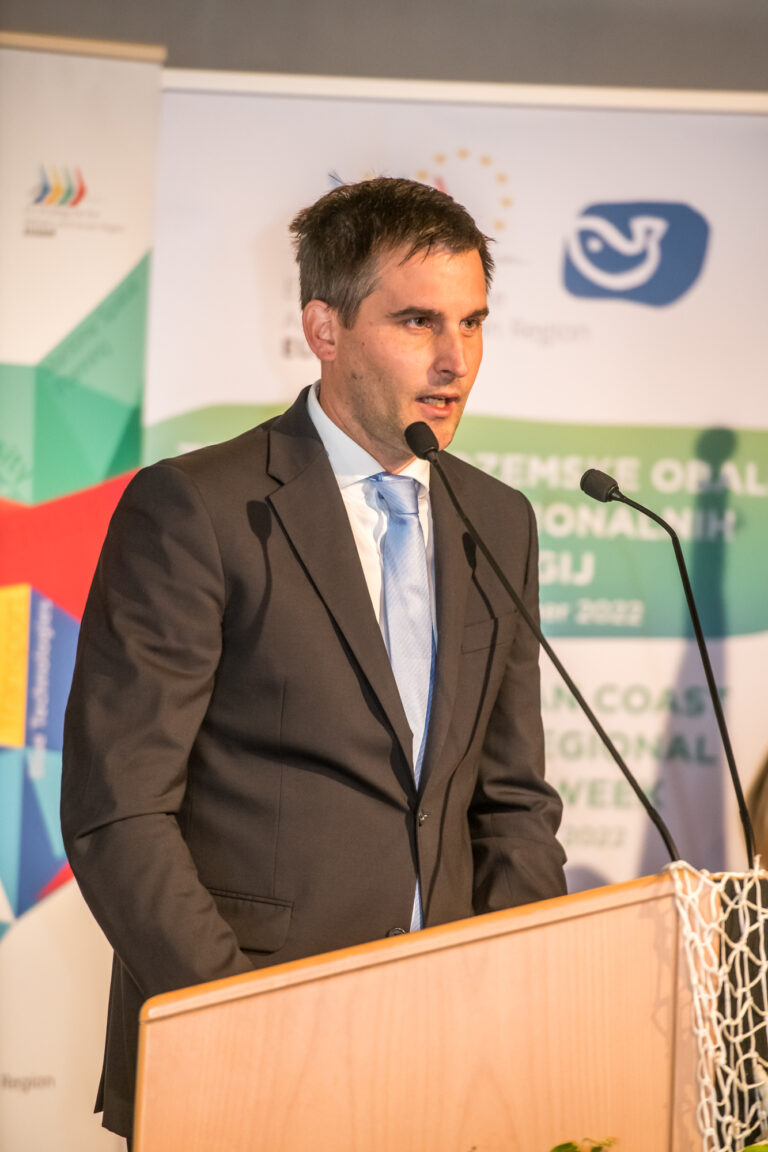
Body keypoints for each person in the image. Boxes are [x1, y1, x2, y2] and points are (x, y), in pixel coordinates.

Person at [61, 176, 566, 1143]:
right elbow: (117, 808)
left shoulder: (497, 521)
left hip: (450, 1062)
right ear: (324, 329)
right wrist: (251, 1020)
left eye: (472, 322)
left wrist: (521, 998)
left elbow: (510, 801)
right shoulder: (198, 509)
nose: (456, 359)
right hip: (238, 1051)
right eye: (418, 321)